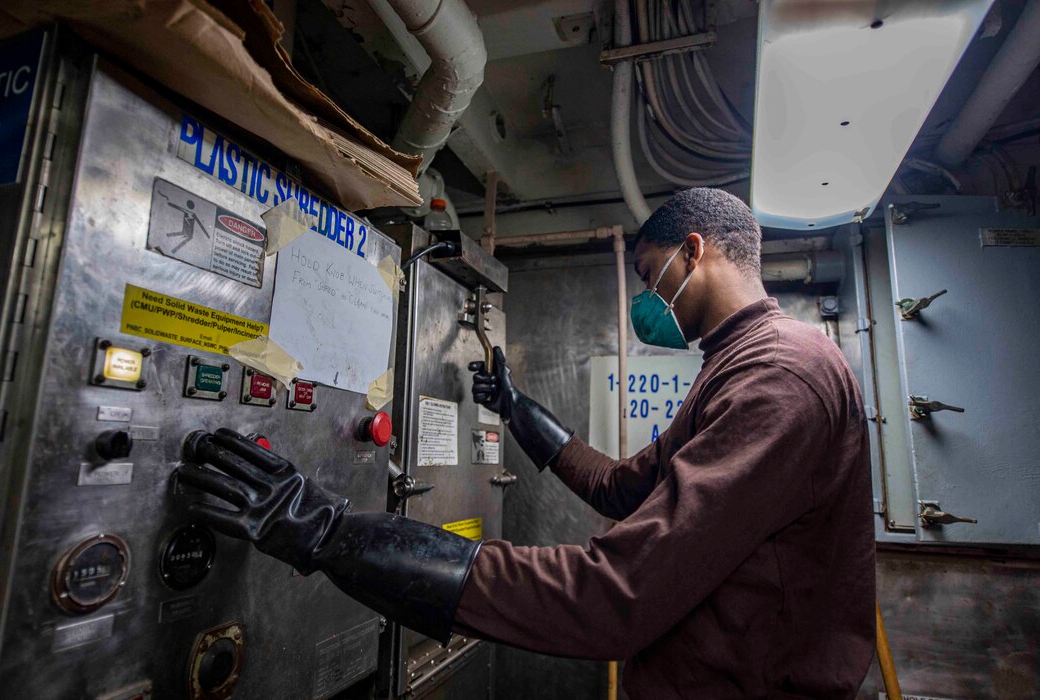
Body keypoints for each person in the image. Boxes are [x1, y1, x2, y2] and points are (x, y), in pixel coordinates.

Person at [175, 188, 876, 698]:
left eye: (648, 273)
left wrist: (321, 531)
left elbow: (617, 597)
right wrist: (515, 409)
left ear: (694, 250)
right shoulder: (738, 363)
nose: (647, 298)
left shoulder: (781, 374)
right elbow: (623, 488)